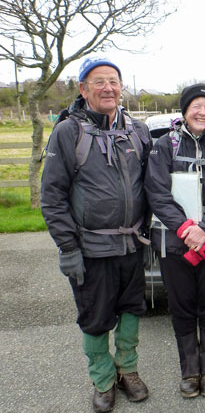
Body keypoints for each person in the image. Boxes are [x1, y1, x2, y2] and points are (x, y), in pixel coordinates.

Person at [41, 57, 152, 413]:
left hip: (132, 244)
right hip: (90, 248)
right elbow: (52, 196)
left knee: (132, 310)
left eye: (114, 81)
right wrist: (67, 247)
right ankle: (103, 379)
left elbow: (153, 185)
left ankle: (127, 370)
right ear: (83, 89)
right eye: (99, 81)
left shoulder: (137, 130)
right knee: (95, 316)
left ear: (122, 88)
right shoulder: (68, 132)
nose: (108, 88)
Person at [145, 84, 205, 398]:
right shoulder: (164, 146)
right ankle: (189, 370)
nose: (202, 112)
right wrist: (186, 228)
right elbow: (156, 193)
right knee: (182, 306)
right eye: (196, 106)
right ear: (185, 110)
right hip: (175, 243)